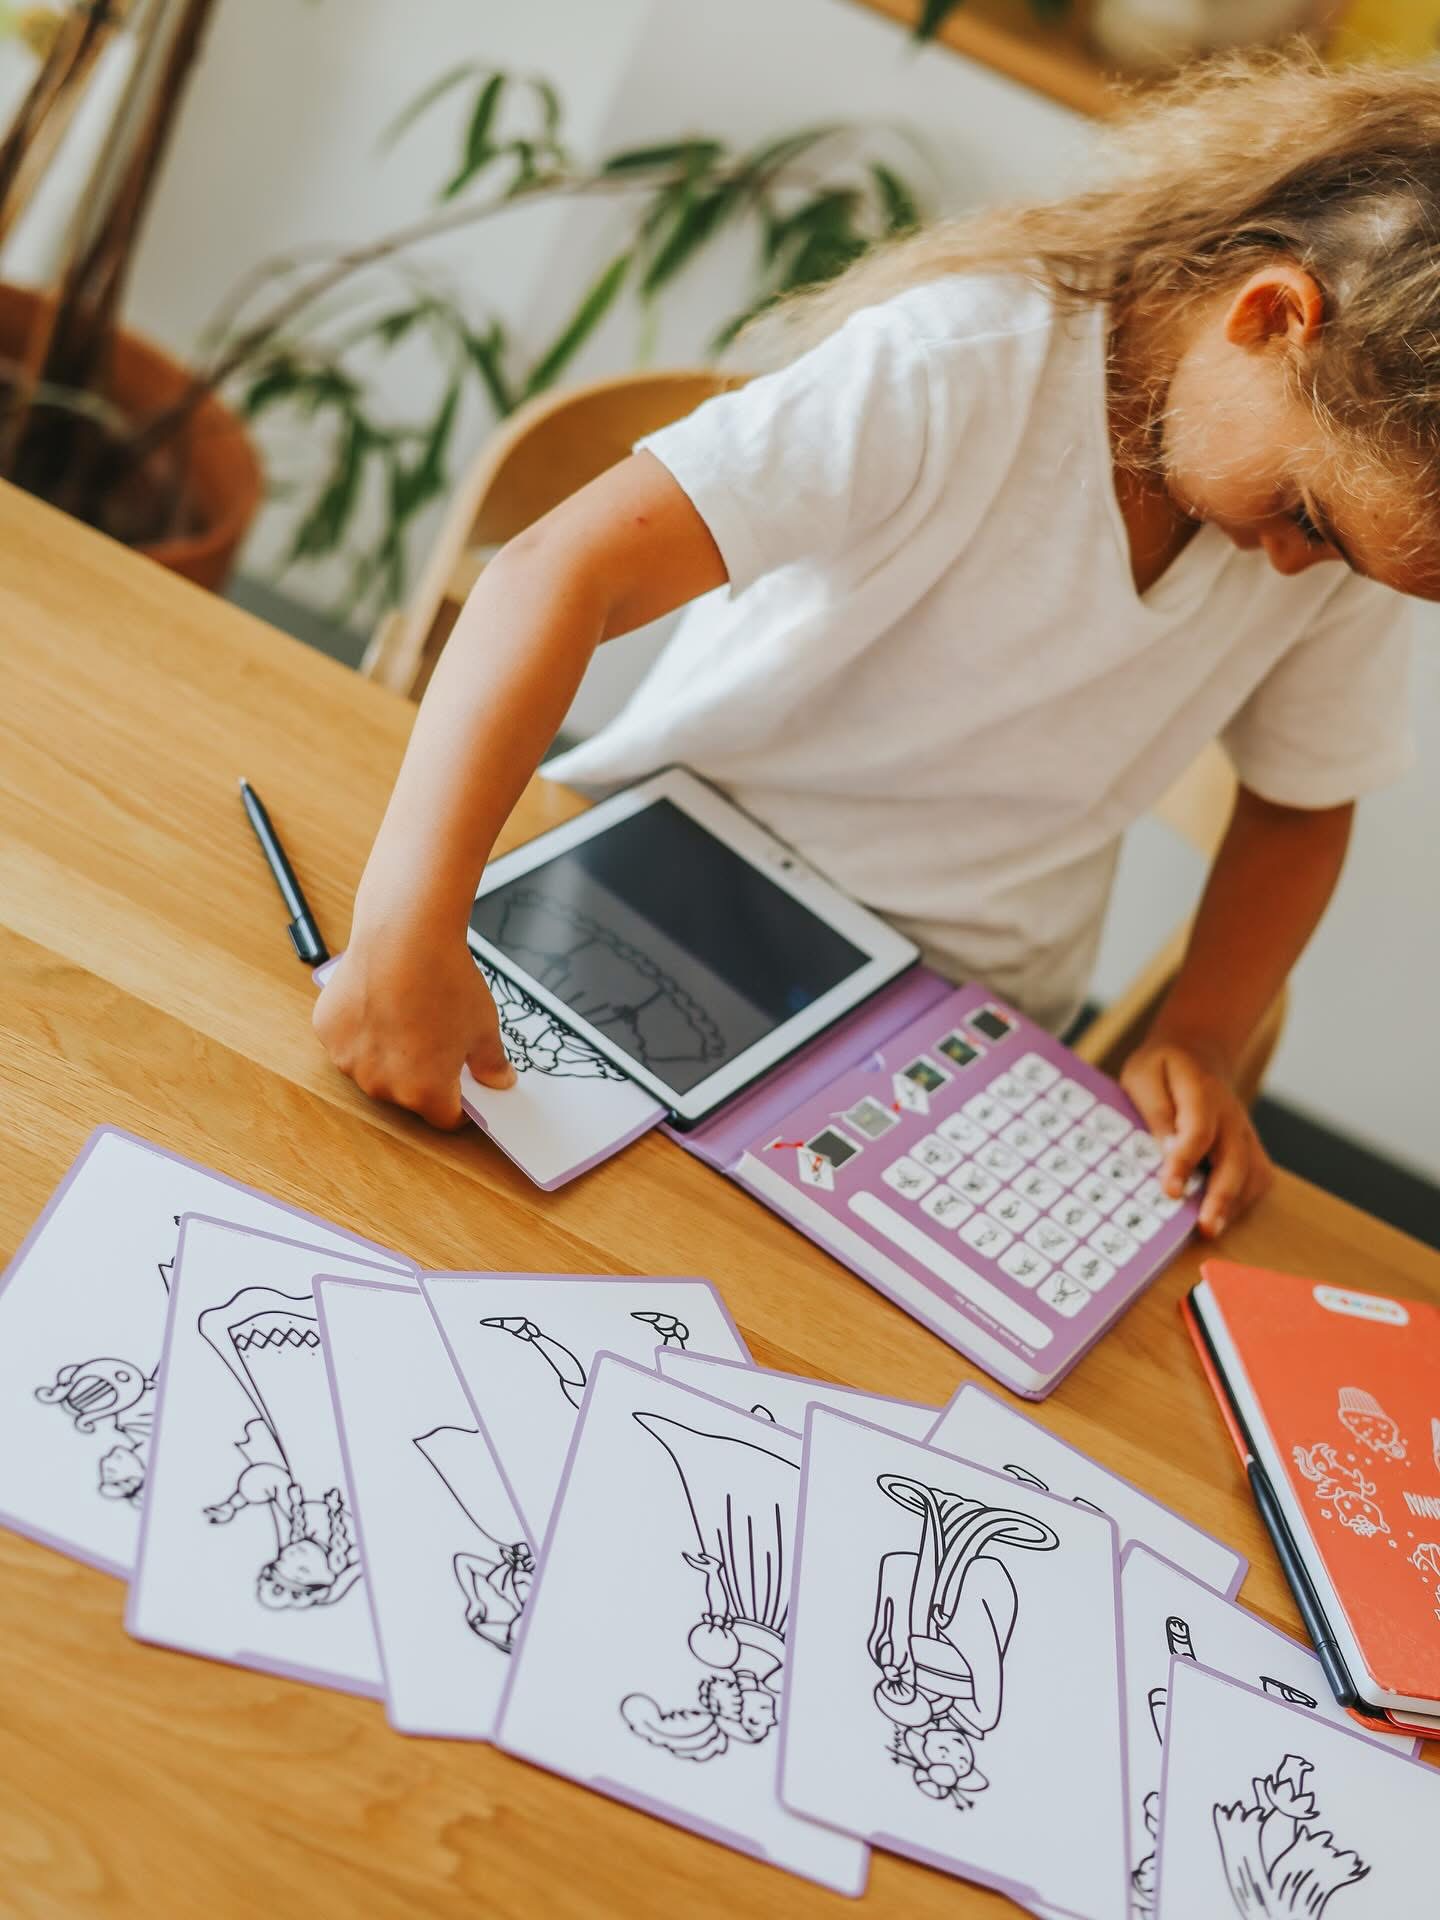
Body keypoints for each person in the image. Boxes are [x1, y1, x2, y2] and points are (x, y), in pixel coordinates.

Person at [316, 50, 1434, 1240]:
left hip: (960, 1027)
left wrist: (1202, 1030)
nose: (1300, 568)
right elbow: (558, 571)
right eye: (1309, 516)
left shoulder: (1341, 525)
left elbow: (1303, 807)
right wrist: (407, 930)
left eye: (1353, 558)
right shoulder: (959, 366)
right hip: (647, 885)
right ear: (1268, 317)